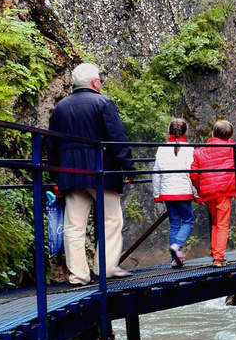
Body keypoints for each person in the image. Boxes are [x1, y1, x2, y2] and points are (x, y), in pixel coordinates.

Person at [48, 62, 134, 284]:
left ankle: (78, 275)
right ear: (95, 83)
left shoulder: (60, 108)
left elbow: (53, 145)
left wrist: (55, 175)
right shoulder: (103, 102)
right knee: (111, 220)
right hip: (101, 172)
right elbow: (117, 138)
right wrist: (128, 166)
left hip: (70, 173)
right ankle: (105, 268)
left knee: (74, 226)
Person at [190, 120, 236, 266]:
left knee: (215, 224)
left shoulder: (200, 151)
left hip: (208, 193)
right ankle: (218, 257)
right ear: (230, 136)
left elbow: (193, 174)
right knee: (222, 224)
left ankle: (215, 253)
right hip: (224, 191)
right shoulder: (232, 148)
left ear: (213, 133)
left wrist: (199, 189)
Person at [153, 117, 195, 268]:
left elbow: (156, 172)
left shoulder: (162, 148)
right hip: (184, 191)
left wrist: (157, 194)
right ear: (185, 132)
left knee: (174, 224)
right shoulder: (189, 149)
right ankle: (177, 245)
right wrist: (196, 193)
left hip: (168, 192)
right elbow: (193, 172)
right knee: (188, 221)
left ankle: (174, 259)